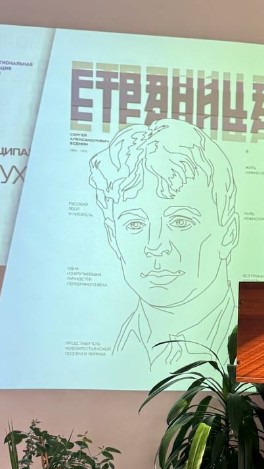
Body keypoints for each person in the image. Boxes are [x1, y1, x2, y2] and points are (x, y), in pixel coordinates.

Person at [88, 118, 239, 369]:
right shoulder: (109, 342)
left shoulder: (260, 342)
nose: (156, 245)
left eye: (180, 221)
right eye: (135, 224)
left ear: (229, 233)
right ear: (112, 236)